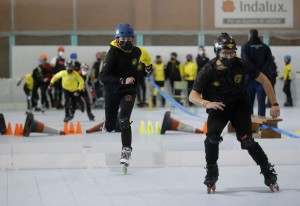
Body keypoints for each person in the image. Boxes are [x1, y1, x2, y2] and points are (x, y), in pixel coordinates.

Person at [189, 33, 280, 193]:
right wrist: (206, 102)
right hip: (219, 108)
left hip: (239, 106)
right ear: (218, 53)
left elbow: (264, 80)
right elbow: (192, 95)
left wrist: (274, 103)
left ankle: (268, 171)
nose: (229, 57)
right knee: (211, 138)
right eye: (225, 53)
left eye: (232, 53)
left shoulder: (240, 64)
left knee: (247, 141)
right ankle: (211, 173)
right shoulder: (208, 70)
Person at [99, 23, 152, 173]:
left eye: (129, 38)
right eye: (123, 38)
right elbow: (103, 76)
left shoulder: (137, 51)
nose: (126, 41)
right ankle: (111, 124)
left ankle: (126, 151)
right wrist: (121, 80)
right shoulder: (112, 53)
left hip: (129, 90)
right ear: (117, 39)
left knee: (124, 118)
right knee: (109, 127)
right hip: (112, 91)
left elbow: (147, 58)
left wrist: (149, 66)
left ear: (133, 39)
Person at [241, 29, 273, 116]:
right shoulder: (265, 47)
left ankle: (249, 123)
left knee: (249, 103)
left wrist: (254, 73)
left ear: (249, 35)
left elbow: (246, 62)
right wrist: (261, 73)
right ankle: (261, 124)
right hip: (262, 79)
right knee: (261, 102)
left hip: (249, 79)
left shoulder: (245, 47)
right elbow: (269, 61)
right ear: (257, 35)